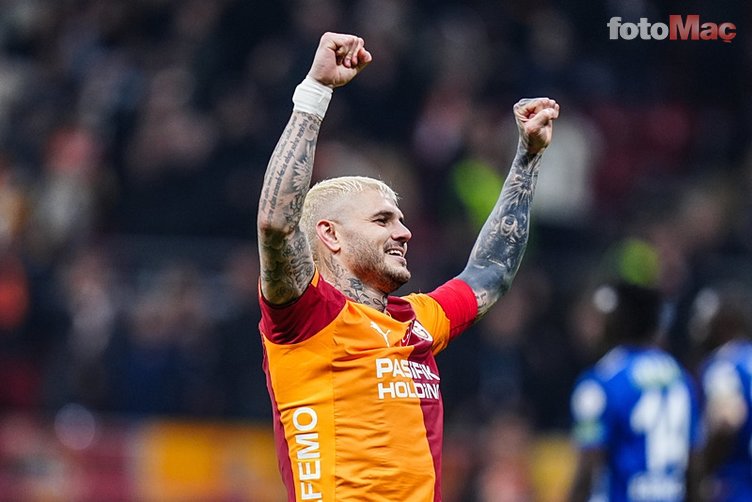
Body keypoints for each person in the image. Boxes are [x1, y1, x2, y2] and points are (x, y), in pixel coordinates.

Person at [256, 32, 558, 501]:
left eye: (400, 219)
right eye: (382, 220)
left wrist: (528, 158)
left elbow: (490, 273)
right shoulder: (306, 315)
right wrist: (315, 91)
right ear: (330, 235)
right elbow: (277, 223)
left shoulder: (417, 321)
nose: (404, 232)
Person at [567, 281, 702, 502]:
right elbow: (693, 463)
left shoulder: (601, 381)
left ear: (617, 322)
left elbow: (588, 470)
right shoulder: (680, 378)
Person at [691, 282, 752, 502]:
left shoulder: (723, 365)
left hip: (737, 485)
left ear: (725, 322)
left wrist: (702, 472)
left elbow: (727, 420)